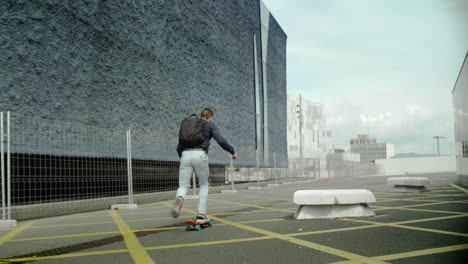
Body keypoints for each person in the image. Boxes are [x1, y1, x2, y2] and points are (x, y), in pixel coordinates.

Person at [171, 108, 237, 221]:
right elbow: (220, 140)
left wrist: (184, 159)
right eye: (211, 119)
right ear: (208, 117)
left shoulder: (190, 126)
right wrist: (232, 151)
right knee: (203, 185)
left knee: (183, 185)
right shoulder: (209, 125)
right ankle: (201, 215)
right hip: (200, 155)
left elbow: (179, 147)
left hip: (185, 155)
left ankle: (180, 198)